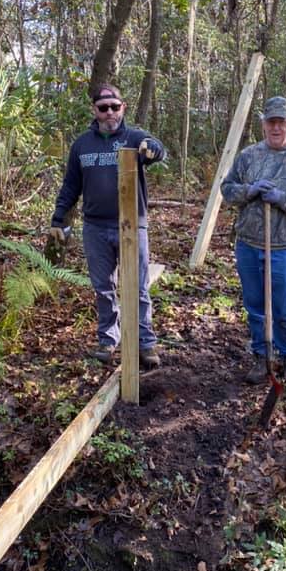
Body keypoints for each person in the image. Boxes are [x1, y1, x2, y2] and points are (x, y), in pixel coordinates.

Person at [49, 83, 165, 367]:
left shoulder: (134, 137)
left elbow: (157, 149)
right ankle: (108, 339)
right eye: (103, 108)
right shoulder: (81, 145)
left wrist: (151, 149)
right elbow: (70, 186)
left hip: (131, 225)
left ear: (123, 107)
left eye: (115, 106)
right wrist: (58, 218)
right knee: (103, 287)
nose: (110, 112)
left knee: (137, 286)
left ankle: (145, 343)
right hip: (95, 228)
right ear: (95, 110)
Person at [221, 95, 286, 388]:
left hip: (283, 246)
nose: (276, 127)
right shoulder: (249, 156)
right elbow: (227, 191)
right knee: (255, 304)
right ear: (263, 123)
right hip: (249, 244)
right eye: (271, 122)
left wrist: (282, 199)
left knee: (284, 305)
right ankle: (261, 356)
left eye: (281, 122)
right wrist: (250, 190)